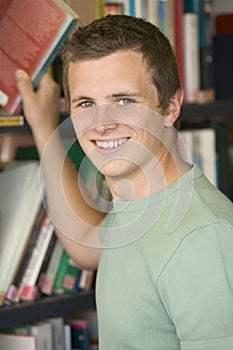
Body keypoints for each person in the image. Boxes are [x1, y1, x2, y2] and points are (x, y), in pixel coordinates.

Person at [15, 15, 233, 350]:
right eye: (86, 104)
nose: (101, 125)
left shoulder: (203, 237)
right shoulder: (141, 208)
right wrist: (43, 126)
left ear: (171, 106)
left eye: (124, 101)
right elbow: (85, 247)